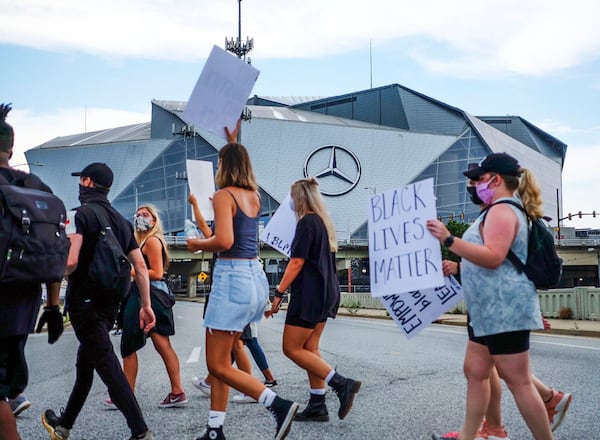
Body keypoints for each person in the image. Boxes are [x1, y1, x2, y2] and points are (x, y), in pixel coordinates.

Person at [437, 162, 571, 439]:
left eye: (479, 179)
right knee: (475, 372)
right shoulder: (499, 211)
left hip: (503, 309)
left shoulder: (502, 210)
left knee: (519, 381)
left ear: (495, 179)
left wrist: (448, 239)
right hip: (489, 309)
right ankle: (471, 436)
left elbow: (493, 256)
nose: (474, 186)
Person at [186, 120, 299, 440]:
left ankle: (275, 403)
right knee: (223, 358)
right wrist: (232, 139)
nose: (217, 166)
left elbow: (222, 240)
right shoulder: (253, 194)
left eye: (219, 161)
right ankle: (214, 429)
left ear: (225, 165)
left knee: (216, 365)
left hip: (232, 277)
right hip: (254, 279)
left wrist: (196, 244)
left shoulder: (224, 196)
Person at [42, 162, 156, 440]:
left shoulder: (78, 215)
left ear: (87, 182)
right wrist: (146, 305)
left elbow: (70, 260)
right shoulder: (121, 221)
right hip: (111, 302)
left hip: (85, 301)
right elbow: (140, 267)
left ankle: (140, 432)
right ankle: (64, 425)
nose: (79, 184)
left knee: (106, 364)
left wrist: (49, 278)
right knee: (87, 362)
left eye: (81, 180)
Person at [266, 177, 361, 423]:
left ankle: (341, 383)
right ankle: (318, 404)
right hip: (327, 292)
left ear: (300, 198)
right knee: (310, 349)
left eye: (293, 197)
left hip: (309, 294)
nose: (292, 203)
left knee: (291, 348)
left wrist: (278, 293)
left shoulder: (306, 223)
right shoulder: (322, 223)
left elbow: (297, 262)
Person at [0, 103, 64, 440]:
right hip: (24, 306)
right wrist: (53, 307)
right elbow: (54, 247)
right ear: (11, 147)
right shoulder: (36, 186)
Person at [106, 204, 186, 408]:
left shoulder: (151, 241)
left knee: (130, 345)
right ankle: (176, 391)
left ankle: (126, 395)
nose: (140, 217)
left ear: (154, 219)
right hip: (153, 295)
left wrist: (130, 270)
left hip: (150, 295)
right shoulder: (144, 241)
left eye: (145, 214)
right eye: (138, 214)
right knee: (160, 344)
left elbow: (157, 273)